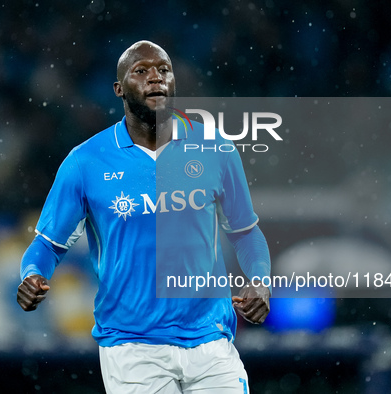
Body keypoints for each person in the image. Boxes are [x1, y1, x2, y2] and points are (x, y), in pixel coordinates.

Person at [17, 40, 271, 394]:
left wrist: (260, 280)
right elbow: (48, 244)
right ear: (119, 90)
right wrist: (32, 275)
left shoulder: (217, 149)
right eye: (142, 71)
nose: (155, 78)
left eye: (164, 70)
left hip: (211, 340)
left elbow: (246, 232)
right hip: (133, 347)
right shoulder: (85, 162)